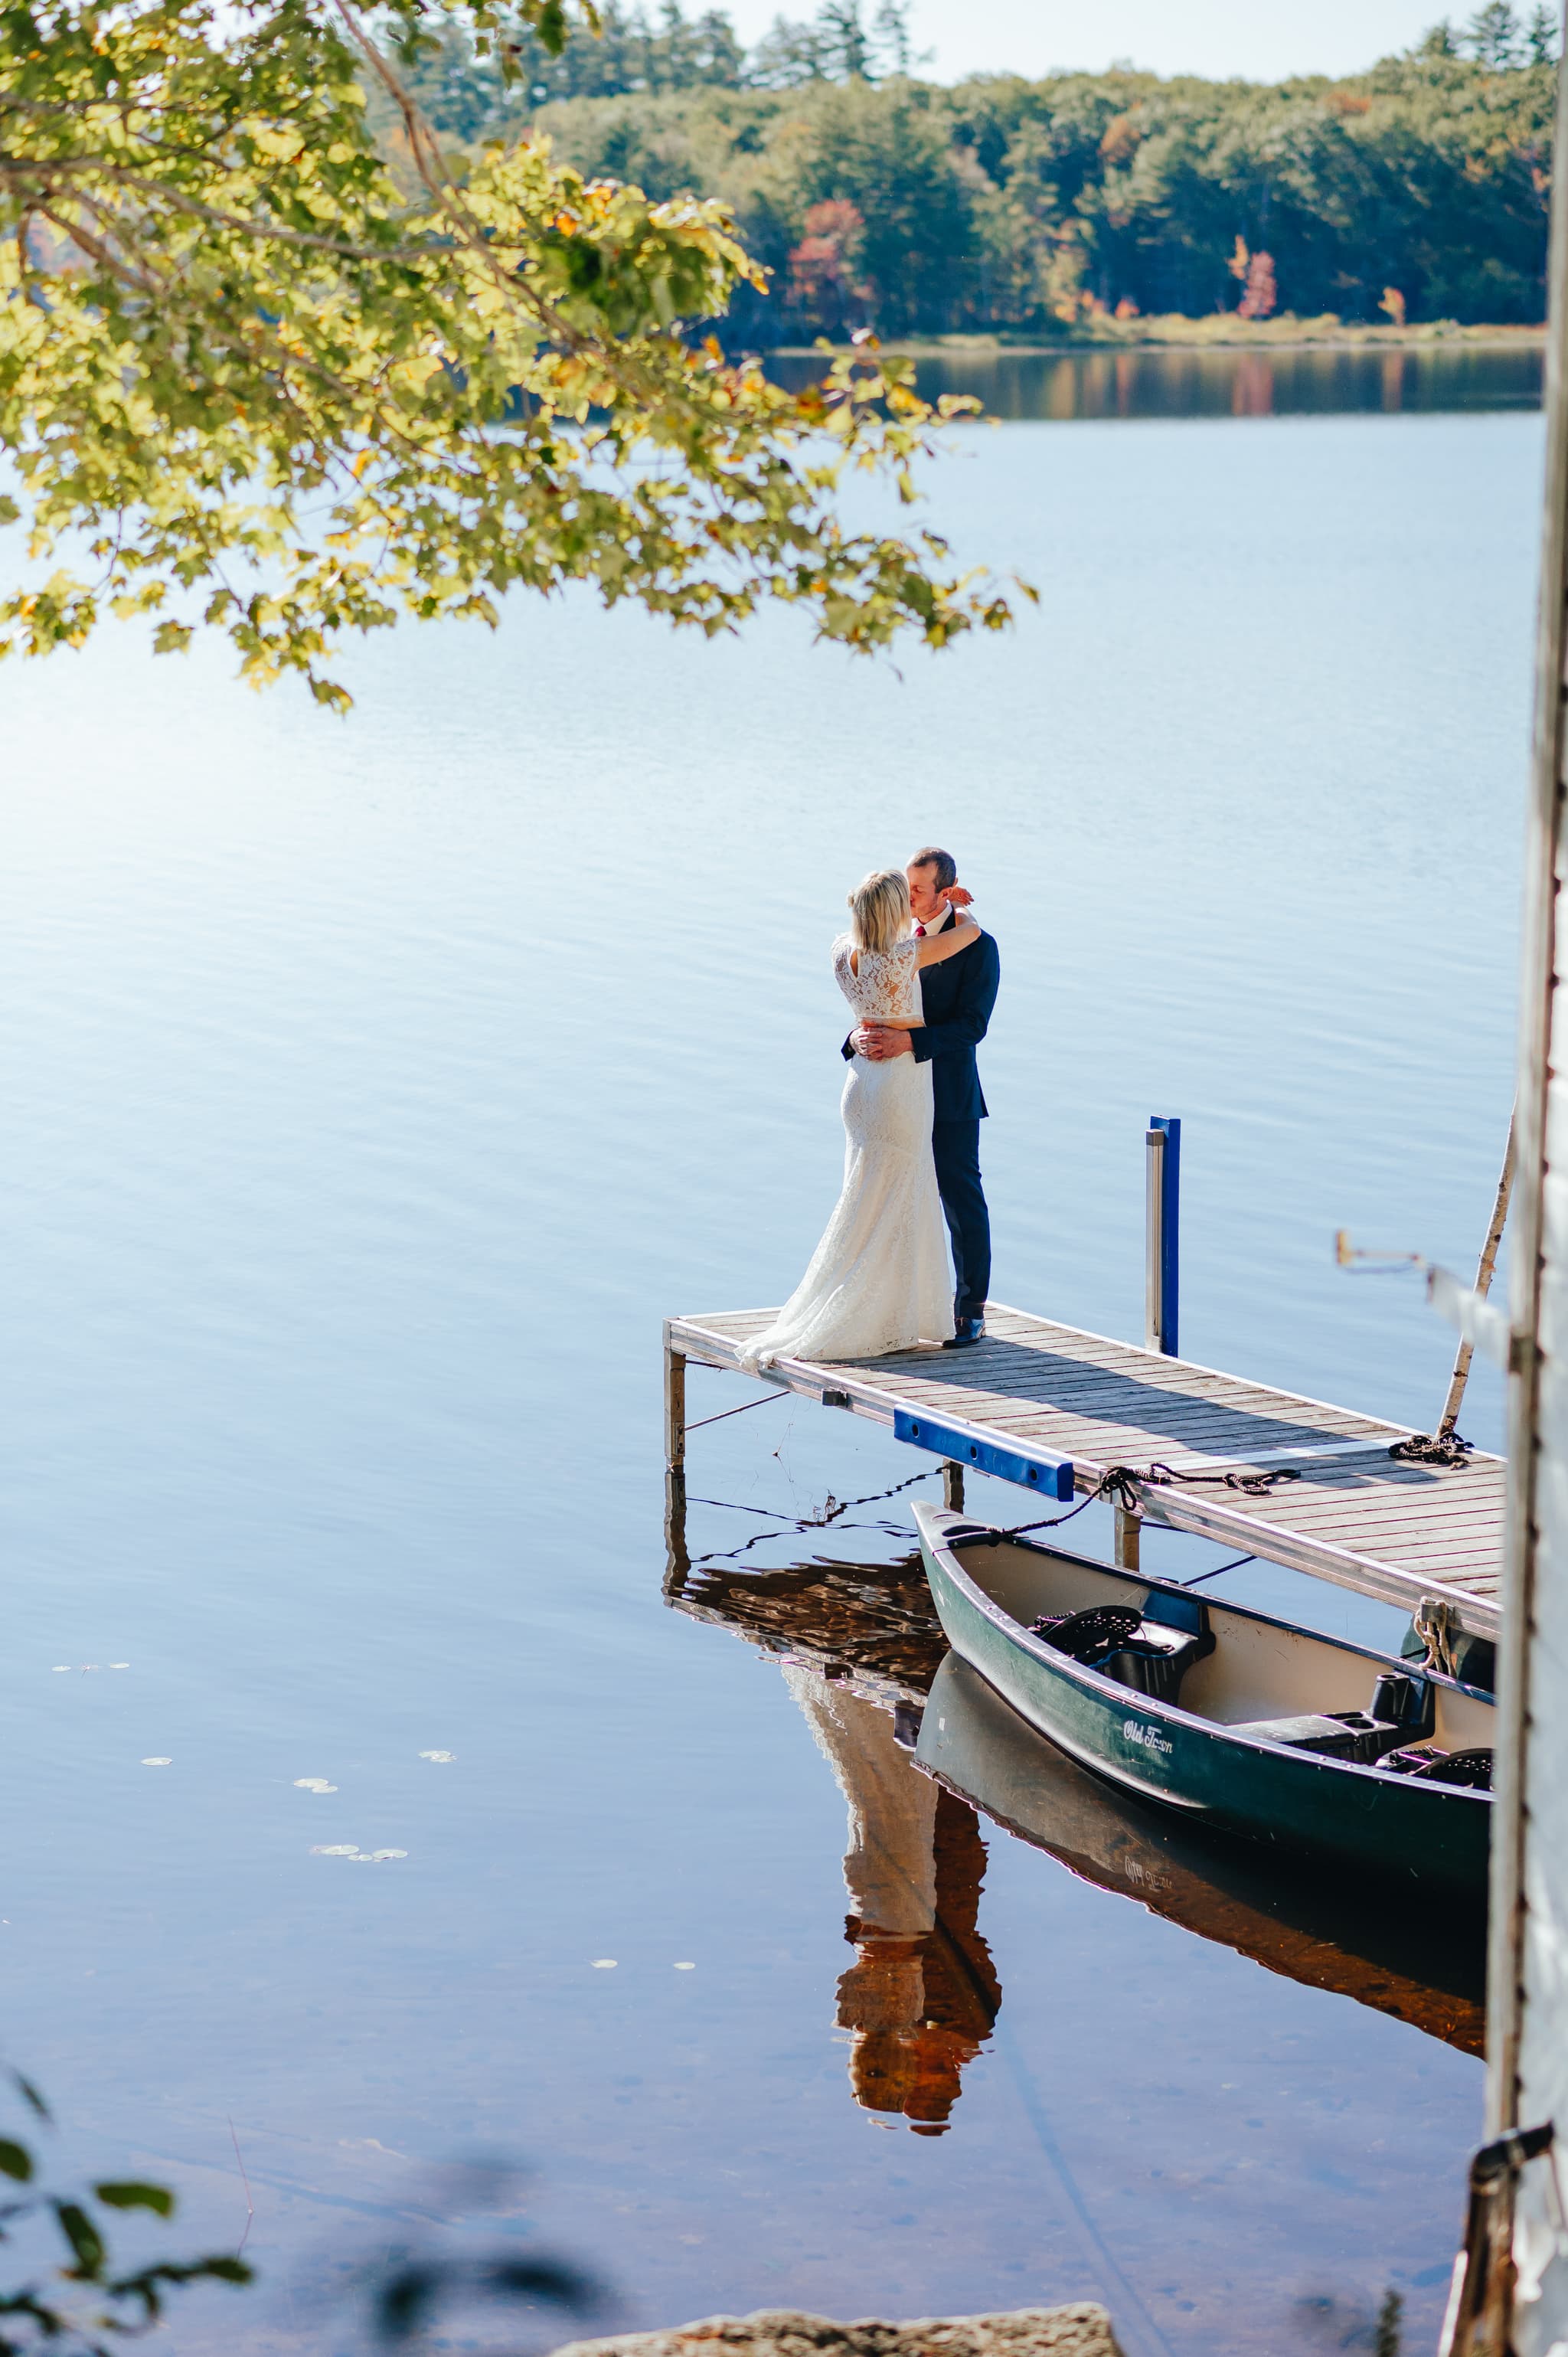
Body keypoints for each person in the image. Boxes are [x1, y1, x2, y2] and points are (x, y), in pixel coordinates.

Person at [739, 868, 982, 1372]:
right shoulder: (903, 955)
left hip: (861, 1086)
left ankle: (884, 1306)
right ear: (894, 910)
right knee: (899, 1195)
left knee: (866, 1195)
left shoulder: (841, 951)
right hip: (899, 1088)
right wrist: (963, 905)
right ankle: (887, 1314)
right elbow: (972, 933)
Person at [848, 848, 999, 1348]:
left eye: (917, 890)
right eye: (905, 888)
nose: (908, 899)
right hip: (896, 1095)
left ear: (947, 893)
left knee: (960, 1200)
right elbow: (873, 1004)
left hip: (948, 1094)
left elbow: (972, 1027)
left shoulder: (980, 949)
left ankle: (969, 1309)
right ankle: (899, 1307)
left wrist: (910, 1041)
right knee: (893, 1196)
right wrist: (854, 1040)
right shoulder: (895, 941)